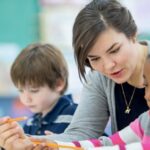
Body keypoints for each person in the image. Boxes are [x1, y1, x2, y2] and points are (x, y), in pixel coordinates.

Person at [0, 0, 150, 149]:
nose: (108, 66)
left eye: (114, 50)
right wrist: (23, 141)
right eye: (94, 58)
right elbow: (84, 135)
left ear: (133, 34)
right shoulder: (99, 78)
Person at [10, 43, 77, 135]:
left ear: (58, 84)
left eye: (34, 90)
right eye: (21, 90)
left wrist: (61, 144)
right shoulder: (31, 123)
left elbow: (100, 144)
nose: (26, 99)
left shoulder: (76, 116)